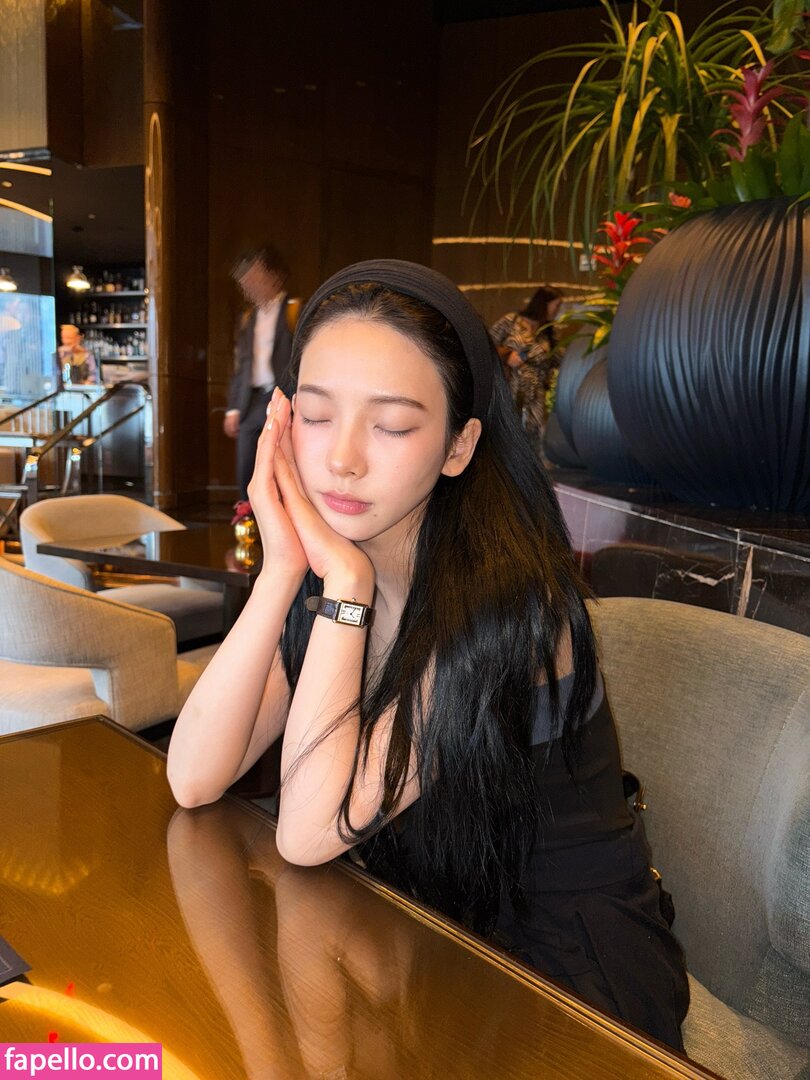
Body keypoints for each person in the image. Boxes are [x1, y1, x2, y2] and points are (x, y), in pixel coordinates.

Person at [167, 260, 689, 1049]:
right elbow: (195, 775)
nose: (342, 459)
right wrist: (281, 571)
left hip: (561, 981)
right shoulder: (330, 568)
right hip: (413, 923)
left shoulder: (511, 610)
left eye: (392, 426)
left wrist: (344, 584)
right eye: (316, 415)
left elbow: (307, 833)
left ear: (458, 445)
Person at [224, 246, 297, 499]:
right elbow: (241, 365)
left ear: (274, 276)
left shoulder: (294, 310)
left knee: (283, 465)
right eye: (245, 280)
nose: (249, 284)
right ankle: (247, 517)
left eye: (255, 276)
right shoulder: (247, 318)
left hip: (282, 398)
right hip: (251, 401)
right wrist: (233, 408)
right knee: (246, 466)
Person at [490, 286, 562, 458]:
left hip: (536, 394)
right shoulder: (511, 321)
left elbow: (556, 361)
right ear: (543, 304)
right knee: (506, 435)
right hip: (510, 387)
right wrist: (507, 356)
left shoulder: (548, 331)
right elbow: (486, 345)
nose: (558, 310)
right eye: (556, 305)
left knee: (535, 438)